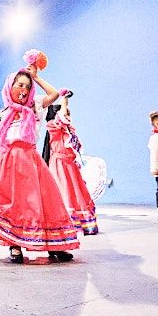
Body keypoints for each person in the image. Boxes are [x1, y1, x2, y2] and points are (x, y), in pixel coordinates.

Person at [0, 64, 78, 264]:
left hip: (31, 163)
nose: (23, 90)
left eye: (27, 86)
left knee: (46, 203)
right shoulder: (3, 114)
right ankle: (15, 246)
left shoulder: (35, 106)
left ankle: (55, 245)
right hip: (8, 164)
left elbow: (53, 94)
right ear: (10, 87)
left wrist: (36, 77)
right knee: (14, 206)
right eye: (19, 85)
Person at [42, 92, 98, 234]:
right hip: (60, 165)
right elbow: (60, 120)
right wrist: (64, 101)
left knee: (76, 192)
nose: (67, 117)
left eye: (68, 114)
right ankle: (65, 223)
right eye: (64, 113)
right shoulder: (53, 127)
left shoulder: (69, 130)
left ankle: (82, 223)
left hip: (70, 164)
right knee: (64, 192)